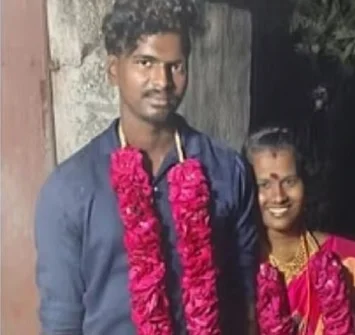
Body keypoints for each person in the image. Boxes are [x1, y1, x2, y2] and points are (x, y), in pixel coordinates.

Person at [34, 1, 259, 334]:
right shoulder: (69, 189)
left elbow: (245, 299)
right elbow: (61, 319)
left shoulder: (227, 172)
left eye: (176, 66)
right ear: (113, 69)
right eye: (145, 63)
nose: (162, 81)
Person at [244, 126, 355, 334]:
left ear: (306, 184)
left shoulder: (348, 261)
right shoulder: (237, 266)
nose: (278, 196)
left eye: (289, 181)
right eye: (264, 185)